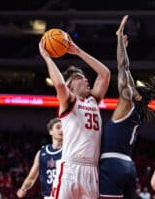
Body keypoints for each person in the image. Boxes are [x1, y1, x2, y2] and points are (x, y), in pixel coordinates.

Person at [99, 15, 155, 199]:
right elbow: (126, 70)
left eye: (137, 88)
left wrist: (119, 39)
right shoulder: (140, 111)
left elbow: (122, 68)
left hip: (111, 163)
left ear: (136, 95)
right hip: (128, 165)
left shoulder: (127, 103)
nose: (134, 85)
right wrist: (123, 49)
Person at [39, 30, 110, 199]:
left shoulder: (93, 100)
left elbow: (105, 74)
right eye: (80, 77)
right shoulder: (69, 102)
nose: (86, 80)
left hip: (92, 170)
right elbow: (60, 85)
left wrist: (77, 51)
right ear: (71, 86)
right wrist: (48, 58)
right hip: (70, 167)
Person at [17, 118, 62, 198]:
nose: (61, 130)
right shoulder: (41, 153)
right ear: (50, 131)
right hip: (49, 196)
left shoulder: (70, 151)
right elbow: (31, 178)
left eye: (63, 128)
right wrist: (23, 188)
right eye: (58, 127)